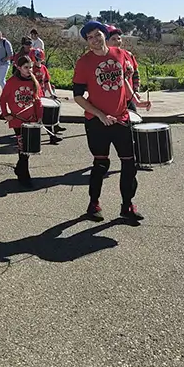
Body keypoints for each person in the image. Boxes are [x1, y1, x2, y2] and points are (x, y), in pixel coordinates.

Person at [73, 20, 145, 223]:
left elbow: (123, 81)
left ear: (104, 34)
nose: (95, 40)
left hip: (121, 118)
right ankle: (93, 204)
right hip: (97, 122)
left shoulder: (120, 55)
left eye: (97, 35)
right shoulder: (83, 63)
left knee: (130, 165)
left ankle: (127, 205)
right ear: (87, 41)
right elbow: (78, 96)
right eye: (90, 38)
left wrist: (136, 100)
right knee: (101, 164)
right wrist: (100, 115)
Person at [0, 55, 43, 188]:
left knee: (28, 148)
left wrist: (40, 116)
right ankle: (24, 176)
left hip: (31, 119)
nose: (29, 70)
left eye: (30, 67)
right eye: (26, 67)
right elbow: (3, 99)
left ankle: (20, 169)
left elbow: (38, 100)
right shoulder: (12, 82)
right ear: (18, 68)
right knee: (23, 147)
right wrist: (6, 114)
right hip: (18, 120)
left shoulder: (33, 81)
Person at [32, 48, 63, 144]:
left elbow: (46, 82)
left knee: (44, 115)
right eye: (37, 59)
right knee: (34, 117)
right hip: (33, 95)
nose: (39, 61)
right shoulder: (31, 68)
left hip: (41, 95)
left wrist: (51, 93)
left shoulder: (44, 68)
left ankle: (52, 136)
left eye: (40, 59)